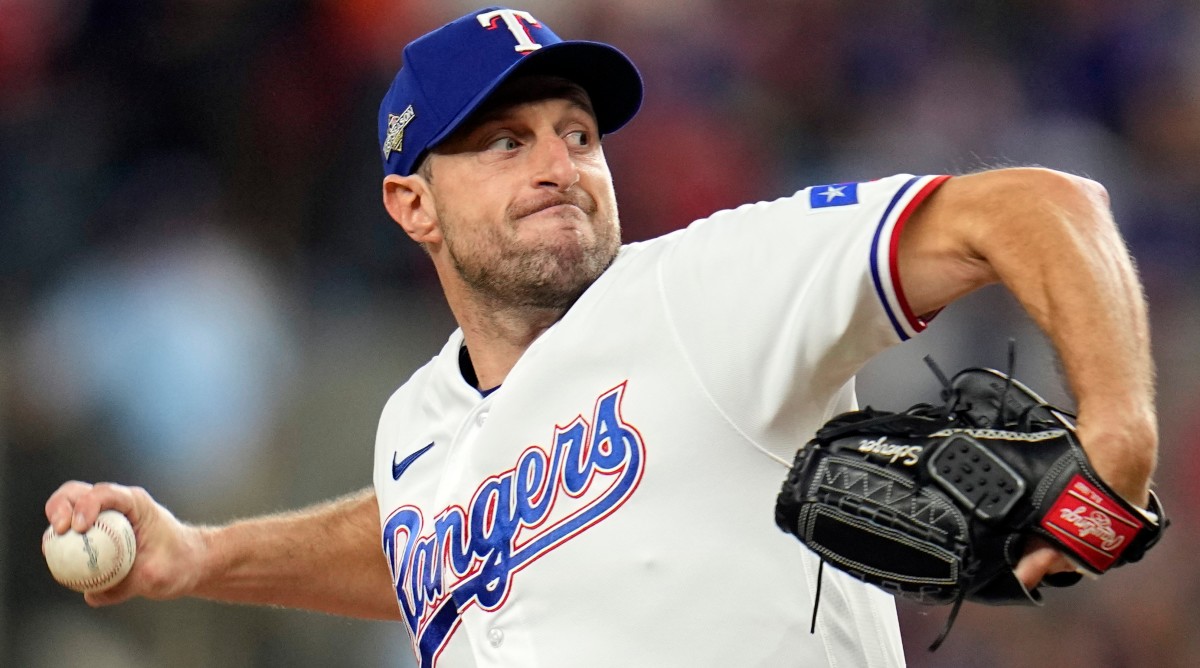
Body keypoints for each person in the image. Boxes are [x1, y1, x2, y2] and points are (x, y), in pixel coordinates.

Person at [44, 6, 1158, 667]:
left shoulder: (706, 287)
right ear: (412, 205)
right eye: (504, 140)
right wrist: (202, 555)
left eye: (577, 132)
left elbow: (1042, 207)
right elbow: (432, 540)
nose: (558, 163)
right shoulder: (416, 422)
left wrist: (1117, 434)